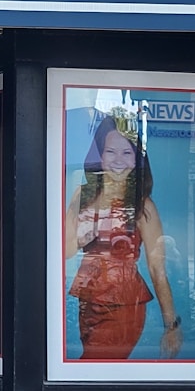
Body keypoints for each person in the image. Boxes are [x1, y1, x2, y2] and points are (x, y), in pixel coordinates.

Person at [63, 109, 182, 359]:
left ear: (137, 158)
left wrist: (171, 326)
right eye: (110, 151)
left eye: (127, 152)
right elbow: (65, 251)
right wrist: (80, 237)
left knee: (95, 366)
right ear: (100, 156)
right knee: (95, 367)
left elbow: (157, 269)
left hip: (123, 304)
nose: (119, 160)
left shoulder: (142, 205)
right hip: (87, 301)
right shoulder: (81, 195)